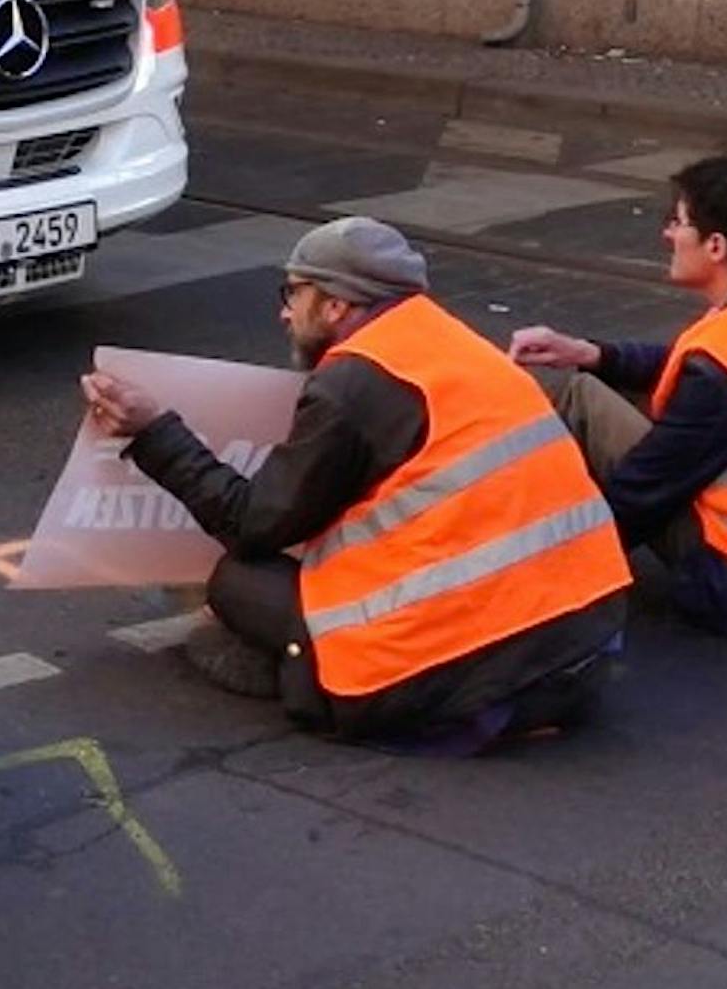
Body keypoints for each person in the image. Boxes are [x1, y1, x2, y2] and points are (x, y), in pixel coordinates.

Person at [81, 217, 632, 749]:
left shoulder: (354, 382)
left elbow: (251, 523)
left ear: (335, 304)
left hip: (467, 669)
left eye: (291, 293)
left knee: (236, 579)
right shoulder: (455, 345)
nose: (283, 312)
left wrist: (153, 432)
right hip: (586, 648)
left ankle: (308, 674)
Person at [507, 156, 727, 635]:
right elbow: (679, 366)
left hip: (718, 577)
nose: (668, 233)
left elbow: (644, 489)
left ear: (715, 245)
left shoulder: (715, 373)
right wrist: (592, 353)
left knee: (573, 395)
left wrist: (549, 575)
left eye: (678, 221)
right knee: (588, 380)